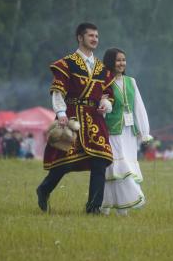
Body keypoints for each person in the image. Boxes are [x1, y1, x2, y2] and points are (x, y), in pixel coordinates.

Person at [36, 23, 115, 214]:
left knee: (101, 160)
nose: (95, 39)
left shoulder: (102, 69)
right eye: (91, 35)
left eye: (97, 36)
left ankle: (93, 208)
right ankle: (44, 189)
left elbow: (108, 93)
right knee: (65, 161)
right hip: (72, 116)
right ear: (80, 38)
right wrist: (61, 113)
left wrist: (107, 104)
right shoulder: (66, 64)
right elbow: (57, 91)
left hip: (95, 119)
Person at [100, 48, 151, 216]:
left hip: (129, 133)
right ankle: (106, 207)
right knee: (114, 167)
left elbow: (139, 106)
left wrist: (144, 131)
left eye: (123, 60)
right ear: (110, 62)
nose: (121, 63)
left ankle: (119, 208)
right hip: (111, 131)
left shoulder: (131, 81)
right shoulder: (104, 82)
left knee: (124, 166)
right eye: (118, 60)